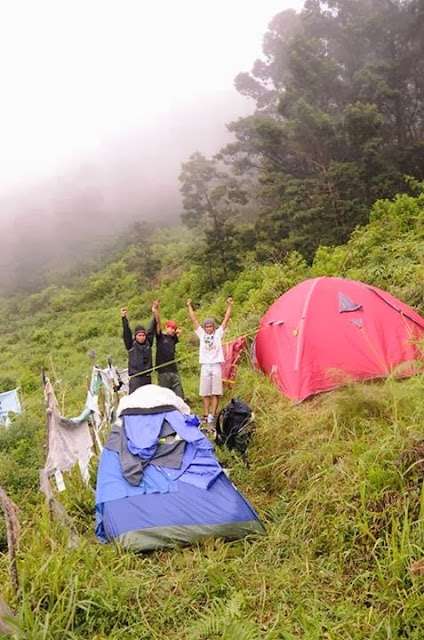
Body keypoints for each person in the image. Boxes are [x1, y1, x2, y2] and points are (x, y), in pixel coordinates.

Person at [186, 296, 233, 425]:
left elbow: (226, 319)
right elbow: (194, 319)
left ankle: (213, 413)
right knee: (205, 391)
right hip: (205, 365)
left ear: (213, 327)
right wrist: (189, 305)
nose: (208, 328)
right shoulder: (201, 334)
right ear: (204, 328)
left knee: (216, 391)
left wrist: (229, 305)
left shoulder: (218, 334)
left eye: (210, 326)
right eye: (206, 326)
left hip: (216, 364)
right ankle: (206, 414)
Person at [151, 300, 184, 398]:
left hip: (174, 370)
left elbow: (180, 332)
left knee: (179, 394)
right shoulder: (160, 337)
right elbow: (157, 323)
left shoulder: (173, 339)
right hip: (163, 371)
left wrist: (176, 331)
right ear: (166, 327)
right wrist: (156, 311)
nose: (173, 330)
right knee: (165, 396)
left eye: (174, 328)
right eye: (171, 328)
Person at [120, 307, 155, 394]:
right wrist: (124, 318)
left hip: (147, 378)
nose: (142, 337)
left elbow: (152, 329)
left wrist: (155, 314)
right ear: (135, 336)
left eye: (143, 335)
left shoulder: (148, 343)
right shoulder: (131, 345)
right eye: (139, 335)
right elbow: (126, 332)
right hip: (135, 379)